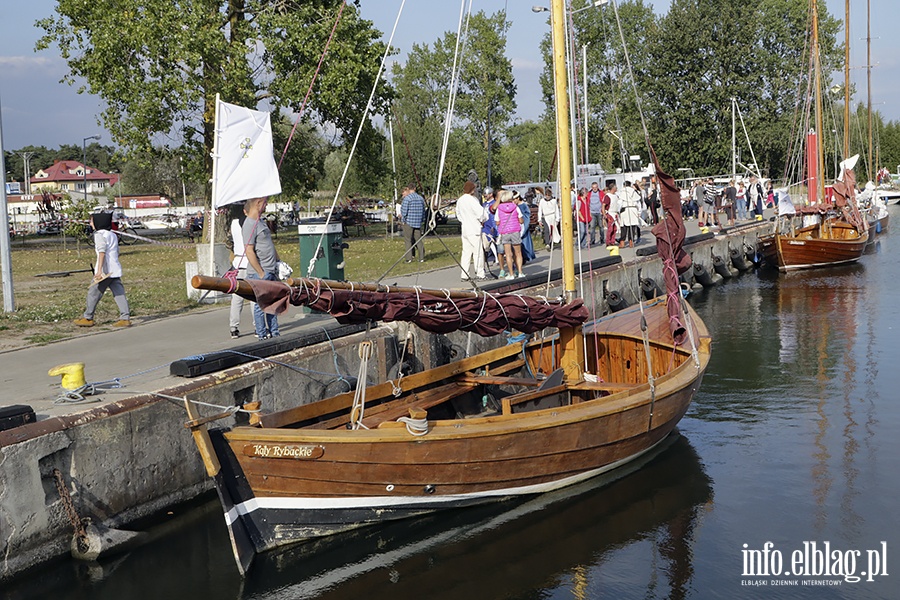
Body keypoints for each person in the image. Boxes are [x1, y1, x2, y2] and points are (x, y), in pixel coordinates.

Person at [73, 211, 131, 328]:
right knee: (119, 293)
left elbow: (101, 252)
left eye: (91, 221)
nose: (90, 223)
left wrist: (98, 271)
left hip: (105, 271)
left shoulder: (99, 234)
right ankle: (125, 318)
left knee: (93, 292)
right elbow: (116, 252)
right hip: (114, 269)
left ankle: (88, 317)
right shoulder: (112, 234)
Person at [243, 196, 281, 340]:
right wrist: (260, 272)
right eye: (264, 203)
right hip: (260, 273)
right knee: (260, 306)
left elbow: (270, 245)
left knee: (273, 304)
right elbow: (249, 251)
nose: (266, 205)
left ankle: (275, 333)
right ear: (258, 204)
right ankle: (262, 335)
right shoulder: (249, 224)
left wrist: (279, 262)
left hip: (271, 270)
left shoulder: (261, 222)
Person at [491, 189, 524, 279]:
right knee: (518, 253)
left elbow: (497, 222)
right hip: (515, 231)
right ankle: (520, 272)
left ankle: (511, 274)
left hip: (505, 232)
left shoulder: (499, 209)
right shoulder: (515, 207)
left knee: (508, 254)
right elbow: (521, 220)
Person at [456, 181, 486, 281]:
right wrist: (483, 220)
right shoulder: (472, 200)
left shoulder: (460, 200)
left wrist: (464, 221)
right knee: (478, 252)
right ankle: (480, 273)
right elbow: (481, 213)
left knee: (466, 253)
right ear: (472, 189)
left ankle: (464, 274)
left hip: (465, 229)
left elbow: (458, 214)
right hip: (474, 229)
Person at [228, 204, 249, 338]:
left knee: (237, 297)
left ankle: (233, 326)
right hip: (249, 261)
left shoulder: (233, 224)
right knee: (254, 296)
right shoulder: (249, 222)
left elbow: (231, 242)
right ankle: (258, 326)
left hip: (238, 261)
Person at [400, 183, 427, 262]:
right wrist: (422, 220)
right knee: (418, 240)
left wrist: (403, 221)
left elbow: (404, 212)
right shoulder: (420, 198)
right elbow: (423, 211)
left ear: (408, 188)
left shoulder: (407, 199)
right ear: (415, 188)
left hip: (409, 222)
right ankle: (421, 257)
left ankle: (409, 258)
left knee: (408, 240)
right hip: (418, 222)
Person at [618, 180, 642, 248]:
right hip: (633, 209)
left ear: (624, 185)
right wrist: (639, 212)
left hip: (625, 209)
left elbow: (620, 203)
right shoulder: (633, 192)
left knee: (624, 226)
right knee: (632, 226)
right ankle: (631, 241)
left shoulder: (622, 192)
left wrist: (618, 211)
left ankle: (622, 242)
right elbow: (638, 203)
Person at [514, 191, 536, 263]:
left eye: (515, 199)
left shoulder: (524, 205)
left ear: (518, 198)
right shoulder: (515, 206)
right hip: (517, 226)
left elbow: (527, 216)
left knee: (524, 243)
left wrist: (524, 226)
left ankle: (525, 257)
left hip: (523, 226)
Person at [604, 181, 620, 246]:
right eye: (615, 188)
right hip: (610, 213)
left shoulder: (616, 196)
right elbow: (603, 205)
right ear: (613, 188)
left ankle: (612, 241)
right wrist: (604, 214)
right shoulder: (608, 196)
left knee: (615, 228)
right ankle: (608, 242)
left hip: (615, 213)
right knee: (610, 228)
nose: (616, 189)